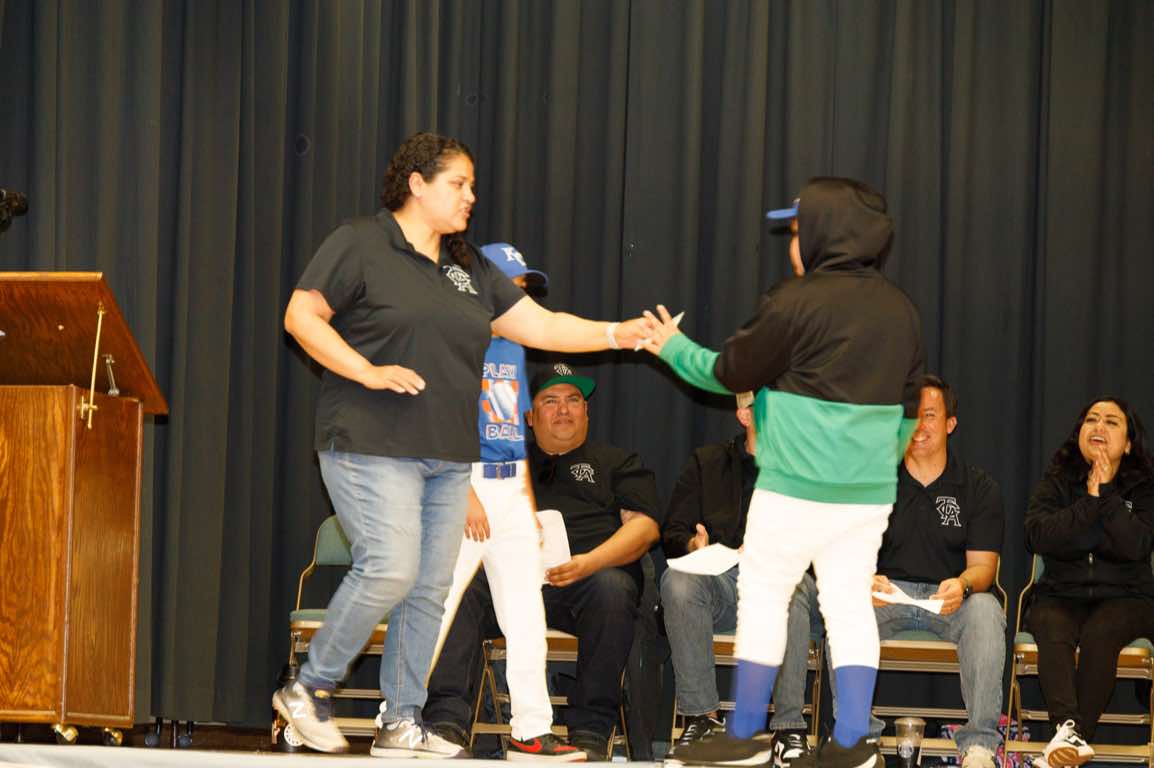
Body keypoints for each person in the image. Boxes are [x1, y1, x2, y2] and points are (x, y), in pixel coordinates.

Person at [274, 132, 652, 756]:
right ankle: (309, 688)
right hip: (370, 441)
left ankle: (401, 718)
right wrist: (366, 370)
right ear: (416, 185)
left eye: (472, 185)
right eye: (458, 183)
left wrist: (619, 333)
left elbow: (543, 325)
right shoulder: (361, 242)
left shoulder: (469, 267)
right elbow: (301, 316)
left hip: (447, 456)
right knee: (391, 566)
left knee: (428, 589)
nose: (470, 196)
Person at [643, 177, 923, 768]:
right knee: (847, 605)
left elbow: (729, 371)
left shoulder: (795, 300)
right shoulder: (901, 309)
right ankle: (852, 741)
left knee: (765, 595)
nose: (793, 241)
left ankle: (744, 734)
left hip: (794, 486)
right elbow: (910, 403)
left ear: (826, 231)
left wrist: (670, 345)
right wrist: (879, 463)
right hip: (867, 496)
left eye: (798, 229)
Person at [423, 363, 662, 761]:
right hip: (509, 580)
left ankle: (590, 730)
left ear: (587, 411)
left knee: (614, 587)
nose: (564, 409)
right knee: (460, 582)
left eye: (573, 400)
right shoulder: (503, 465)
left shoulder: (616, 461)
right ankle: (445, 721)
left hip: (585, 581)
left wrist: (589, 562)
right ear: (530, 417)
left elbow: (645, 528)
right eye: (550, 401)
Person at [429, 243, 584, 761]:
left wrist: (526, 500)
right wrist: (465, 490)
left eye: (524, 291)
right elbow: (438, 421)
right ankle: (397, 716)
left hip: (509, 487)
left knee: (526, 615)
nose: (521, 299)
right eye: (513, 289)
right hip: (462, 482)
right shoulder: (454, 338)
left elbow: (513, 429)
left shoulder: (514, 347)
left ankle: (530, 729)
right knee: (437, 607)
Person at [660, 392, 822, 768]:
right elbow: (673, 531)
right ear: (744, 416)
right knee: (678, 580)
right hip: (720, 582)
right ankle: (702, 721)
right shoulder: (707, 462)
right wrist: (693, 544)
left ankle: (788, 730)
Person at [867, 375, 1006, 768]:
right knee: (847, 607)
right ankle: (858, 737)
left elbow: (984, 569)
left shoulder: (978, 487)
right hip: (887, 596)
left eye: (928, 415)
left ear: (950, 424)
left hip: (950, 599)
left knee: (986, 609)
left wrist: (962, 585)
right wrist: (865, 578)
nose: (918, 425)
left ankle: (979, 747)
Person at [1024, 397, 1154, 768]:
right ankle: (1070, 734)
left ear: (1127, 444)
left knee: (1102, 630)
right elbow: (1038, 536)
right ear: (1079, 433)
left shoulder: (1144, 487)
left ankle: (1070, 736)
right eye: (1092, 419)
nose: (1099, 426)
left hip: (1128, 598)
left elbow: (1137, 545)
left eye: (1112, 422)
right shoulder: (1058, 481)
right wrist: (1089, 504)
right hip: (1061, 594)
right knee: (1048, 621)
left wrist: (1107, 495)